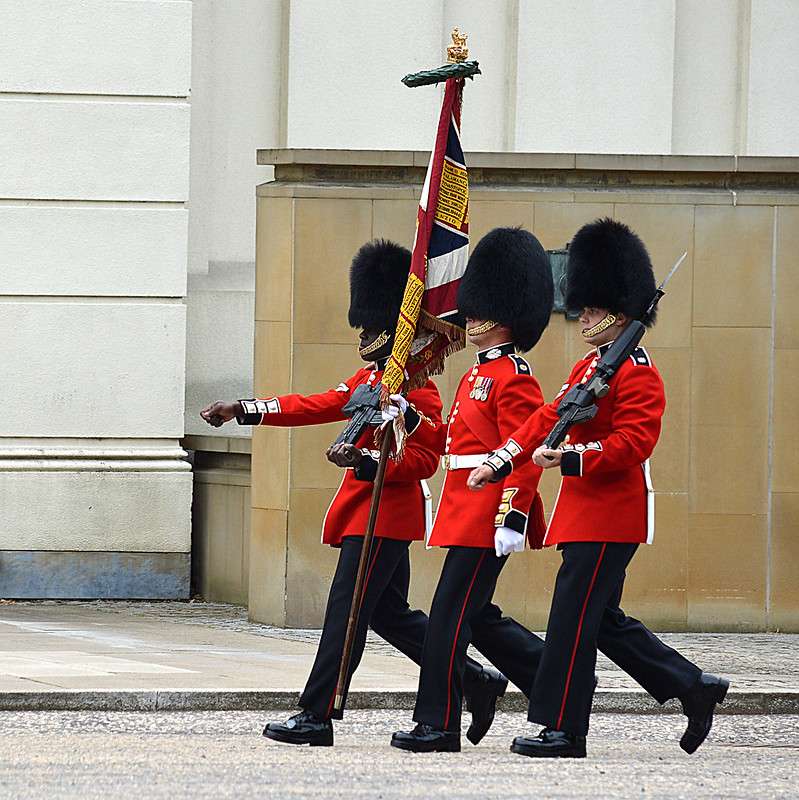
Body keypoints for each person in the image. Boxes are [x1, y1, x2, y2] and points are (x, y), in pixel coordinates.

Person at [200, 239, 505, 747]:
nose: (363, 334)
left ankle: (317, 713)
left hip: (384, 516)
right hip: (368, 515)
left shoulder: (417, 386)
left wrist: (366, 458)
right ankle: (473, 676)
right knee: (390, 615)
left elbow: (425, 458)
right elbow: (313, 404)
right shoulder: (371, 378)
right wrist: (243, 409)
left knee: (345, 616)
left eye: (370, 325)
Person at [468, 218, 729, 759]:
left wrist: (574, 458)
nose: (581, 313)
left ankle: (565, 728)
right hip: (583, 513)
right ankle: (691, 686)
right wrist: (504, 457)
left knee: (571, 618)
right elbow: (547, 417)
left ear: (618, 308)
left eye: (589, 307)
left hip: (611, 513)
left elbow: (635, 442)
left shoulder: (636, 371)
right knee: (601, 619)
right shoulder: (591, 366)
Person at [390, 227, 555, 753]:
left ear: (504, 314)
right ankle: (554, 681)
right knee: (472, 615)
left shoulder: (515, 376)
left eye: (481, 310)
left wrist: (514, 515)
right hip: (463, 504)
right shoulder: (474, 374)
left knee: (448, 618)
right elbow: (452, 443)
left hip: (487, 511)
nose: (470, 318)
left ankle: (438, 724)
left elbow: (523, 451)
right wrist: (409, 416)